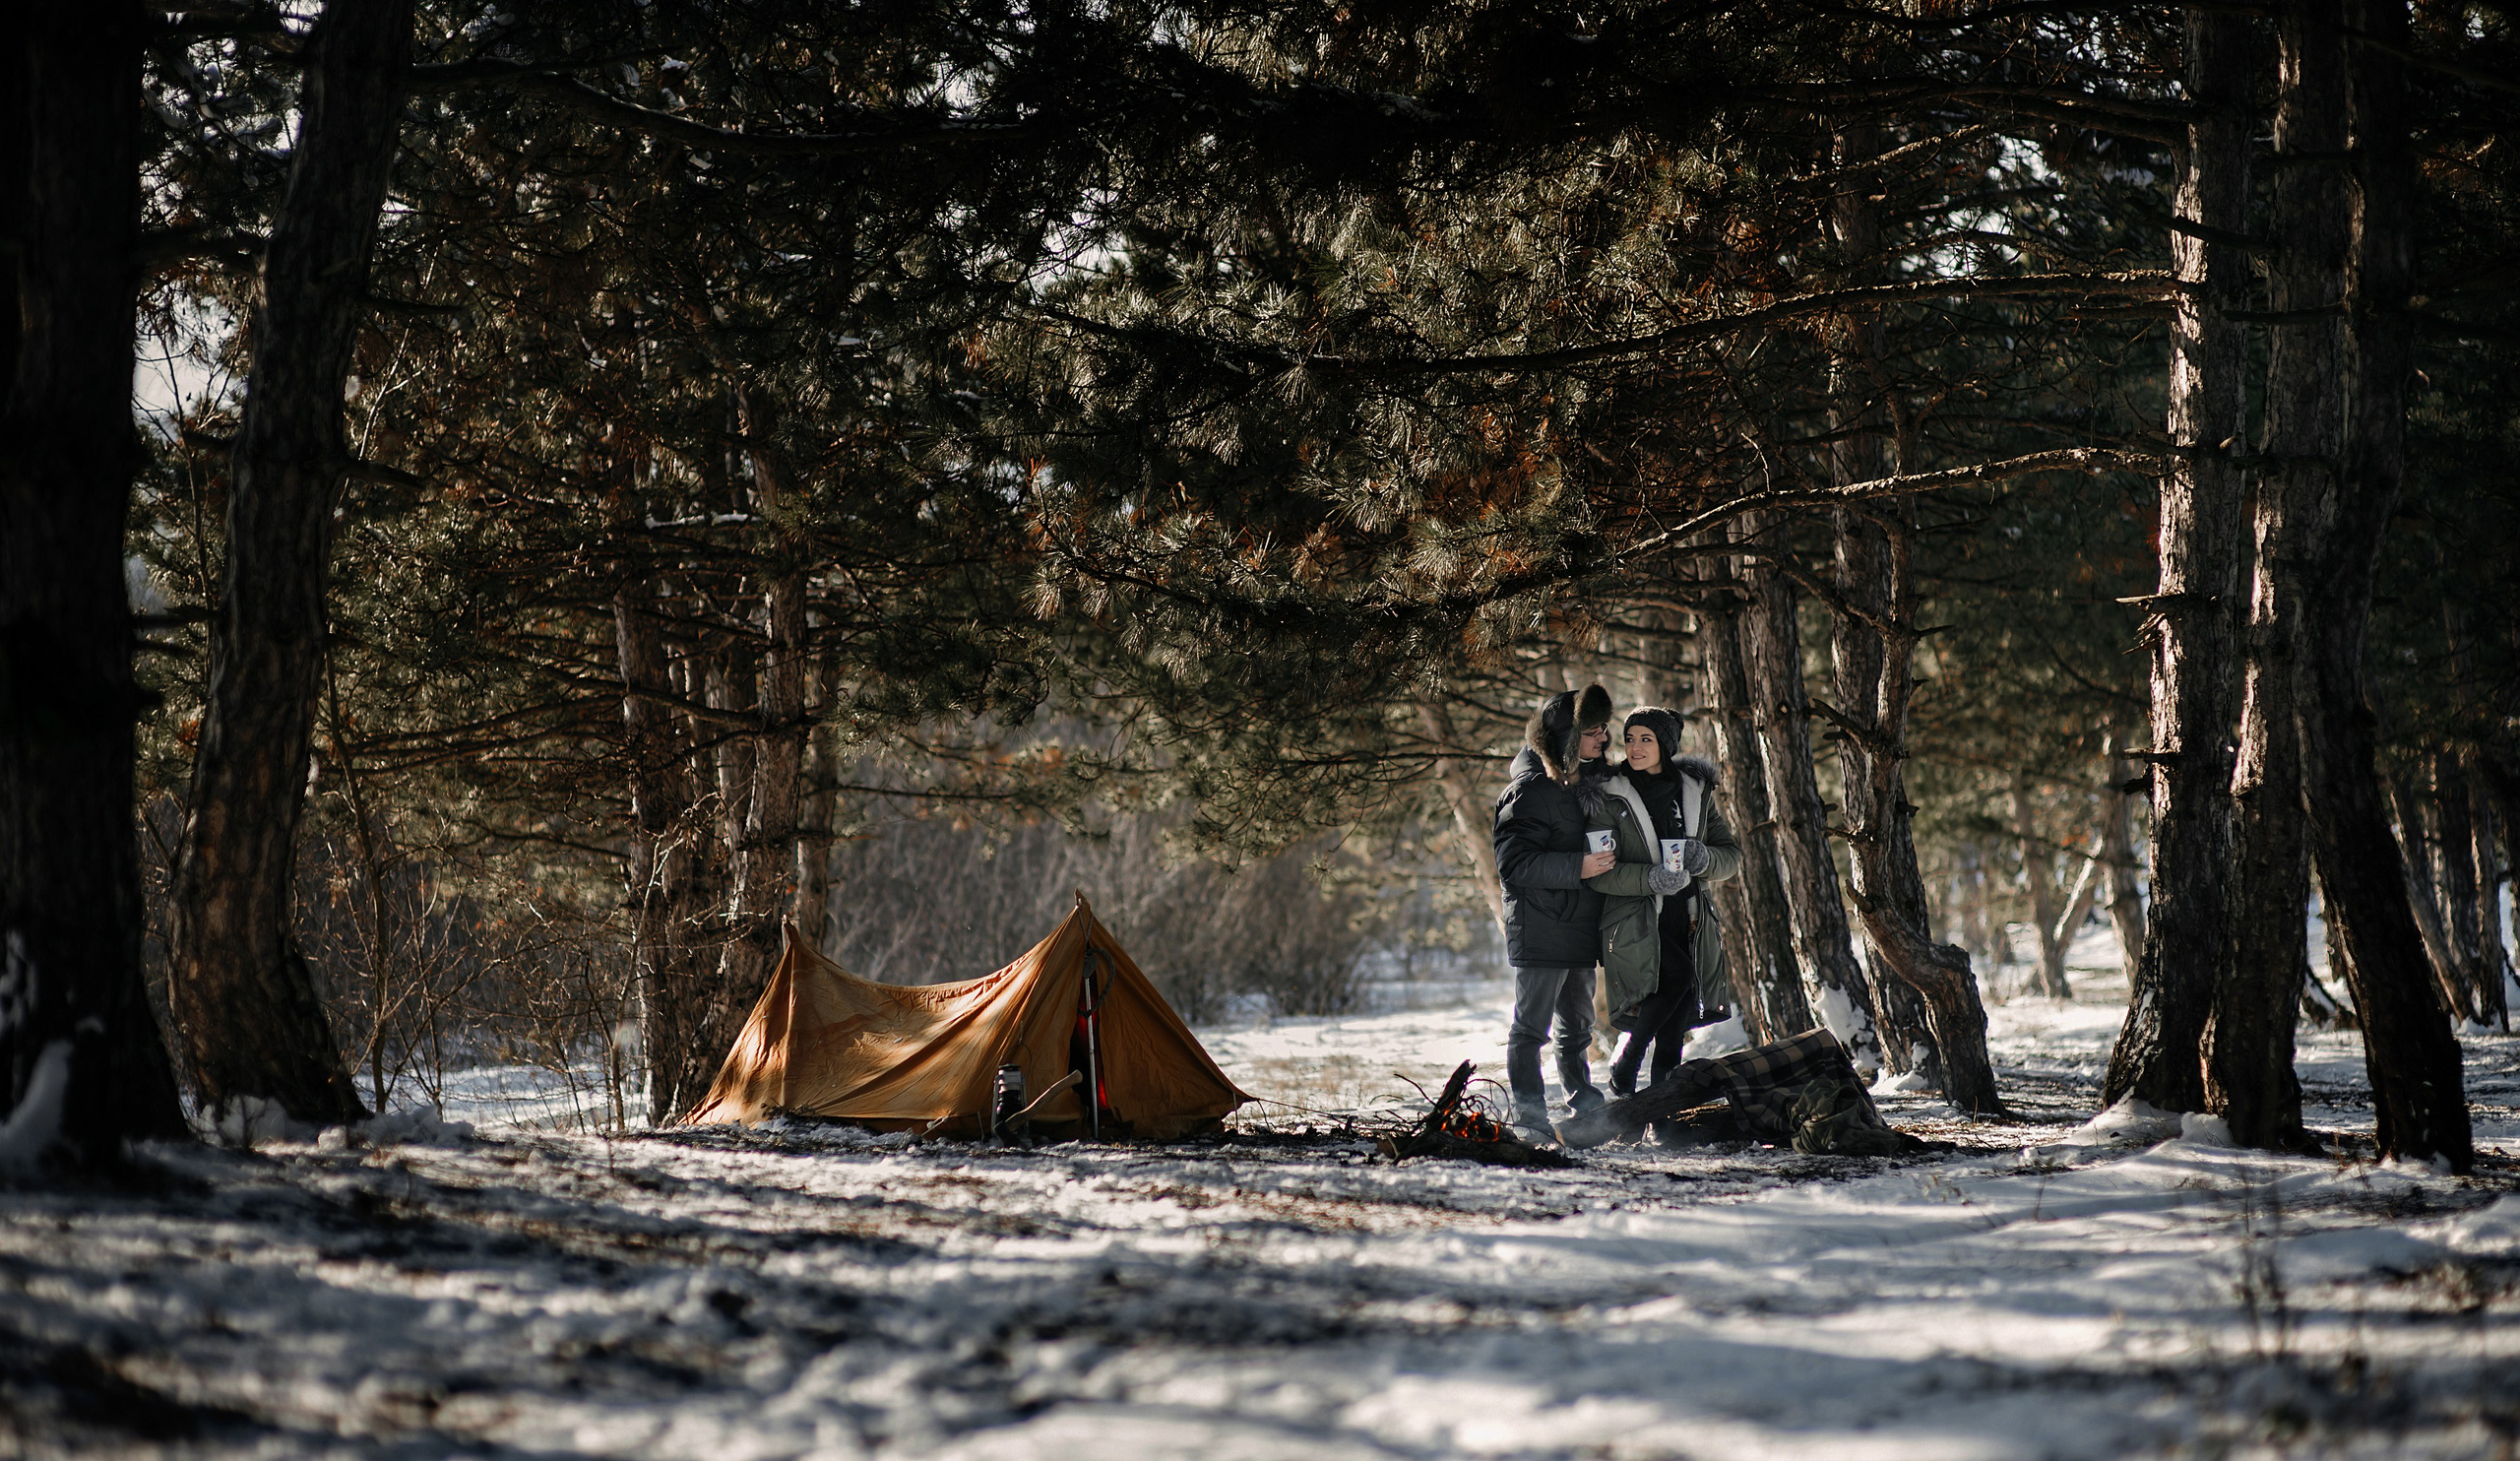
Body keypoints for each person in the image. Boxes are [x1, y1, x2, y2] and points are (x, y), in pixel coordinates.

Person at [1589, 707, 1740, 1125]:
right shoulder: (1608, 794)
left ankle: (1659, 1114)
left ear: (1666, 746)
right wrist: (1650, 878)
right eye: (1631, 738)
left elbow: (1731, 857)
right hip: (1636, 919)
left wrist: (1703, 857)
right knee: (1678, 979)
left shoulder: (1694, 790)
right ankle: (1628, 1056)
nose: (1635, 747)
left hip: (1688, 917)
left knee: (1676, 1020)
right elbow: (1600, 873)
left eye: (1646, 739)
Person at [1492, 684, 1617, 1137]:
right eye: (1593, 730)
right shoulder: (1527, 791)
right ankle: (1530, 1117)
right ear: (1566, 736)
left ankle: (1585, 1112)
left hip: (1580, 927)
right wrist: (1578, 866)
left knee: (1577, 1032)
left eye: (1605, 728)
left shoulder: (1591, 784)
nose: (1603, 738)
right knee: (1531, 1030)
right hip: (1541, 926)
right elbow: (1513, 863)